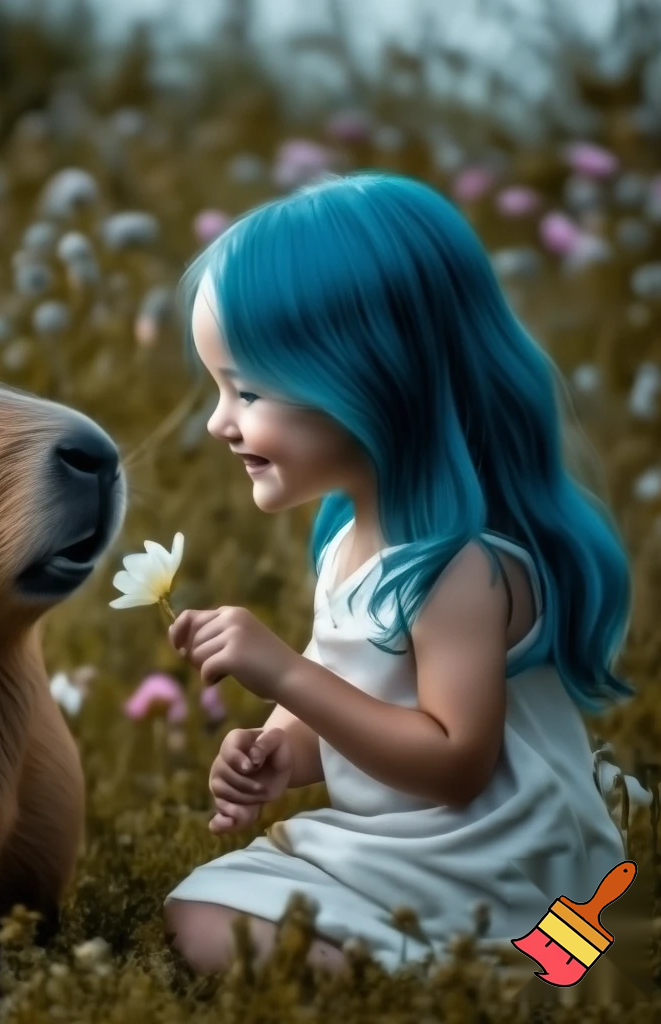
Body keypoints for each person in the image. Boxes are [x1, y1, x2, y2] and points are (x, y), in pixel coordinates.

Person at [162, 171, 635, 976]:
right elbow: (360, 692)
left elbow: (454, 766)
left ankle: (496, 968)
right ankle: (504, 960)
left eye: (247, 390)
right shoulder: (352, 539)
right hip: (418, 842)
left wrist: (281, 672)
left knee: (210, 917)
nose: (219, 421)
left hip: (491, 855)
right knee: (205, 907)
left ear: (370, 384)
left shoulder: (460, 570)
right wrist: (283, 750)